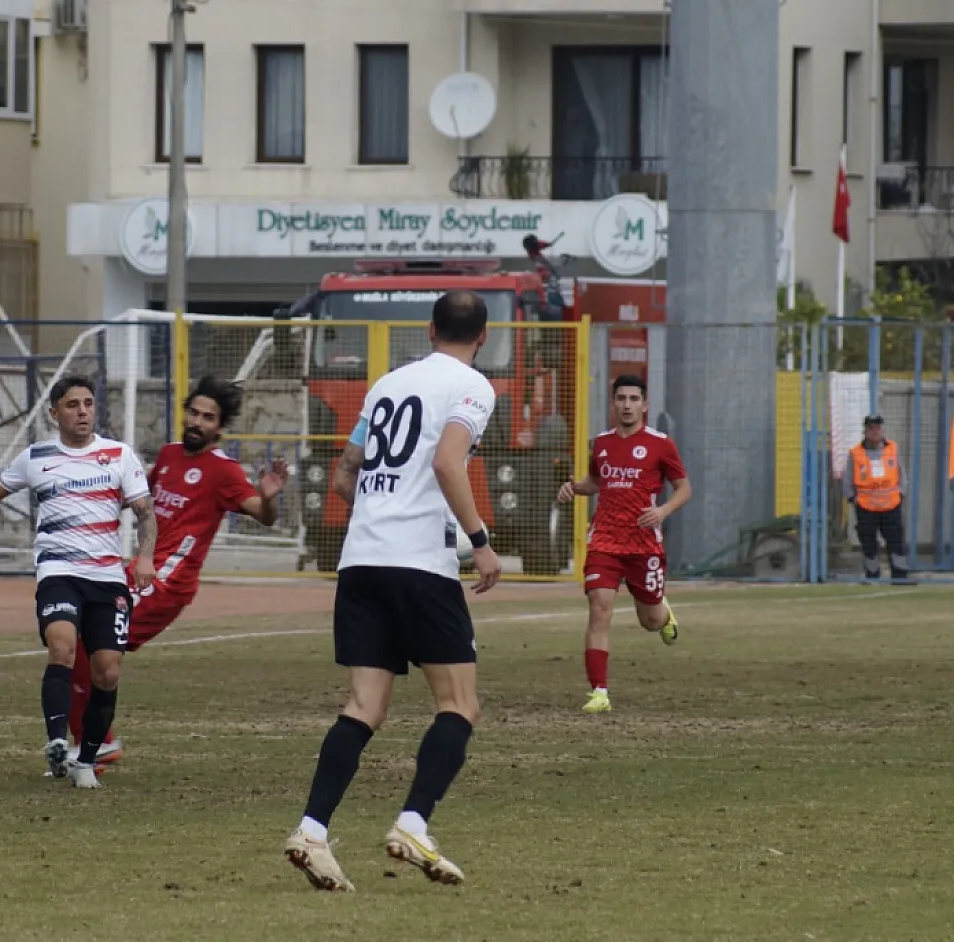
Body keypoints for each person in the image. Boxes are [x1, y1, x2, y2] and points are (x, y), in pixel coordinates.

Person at [284, 289, 502, 893]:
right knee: (459, 704)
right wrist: (479, 540)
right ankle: (412, 822)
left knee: (364, 708)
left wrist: (380, 512)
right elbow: (448, 463)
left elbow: (345, 471)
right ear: (482, 337)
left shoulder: (386, 384)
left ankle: (312, 830)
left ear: (430, 329)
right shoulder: (474, 386)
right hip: (418, 566)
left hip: (361, 561)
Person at [0, 376, 156, 790]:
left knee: (107, 672)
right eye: (72, 405)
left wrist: (145, 555)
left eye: (89, 404)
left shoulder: (118, 455)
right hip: (58, 572)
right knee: (61, 646)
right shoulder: (36, 458)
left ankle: (86, 760)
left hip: (108, 579)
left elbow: (145, 512)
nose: (83, 412)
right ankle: (57, 740)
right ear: (54, 413)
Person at [64, 374, 290, 765]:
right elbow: (141, 500)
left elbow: (263, 515)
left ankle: (96, 740)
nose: (198, 422)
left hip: (168, 583)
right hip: (138, 570)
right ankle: (91, 744)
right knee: (71, 636)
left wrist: (268, 499)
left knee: (86, 638)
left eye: (208, 417)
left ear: (219, 427)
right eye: (194, 413)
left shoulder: (223, 471)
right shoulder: (169, 455)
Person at [556, 374, 690, 716]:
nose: (627, 405)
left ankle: (663, 611)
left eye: (634, 399)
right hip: (604, 540)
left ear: (645, 405)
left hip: (644, 544)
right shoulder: (601, 443)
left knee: (650, 620)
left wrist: (662, 511)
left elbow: (684, 489)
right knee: (599, 609)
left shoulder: (661, 444)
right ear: (613, 403)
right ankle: (599, 692)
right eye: (621, 399)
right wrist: (574, 487)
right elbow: (597, 481)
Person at [844, 414, 909, 582]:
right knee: (869, 543)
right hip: (866, 507)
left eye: (877, 428)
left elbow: (901, 474)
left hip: (891, 505)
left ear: (883, 429)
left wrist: (901, 493)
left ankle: (899, 576)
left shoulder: (892, 448)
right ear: (864, 431)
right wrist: (853, 499)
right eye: (871, 428)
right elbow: (847, 479)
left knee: (895, 541)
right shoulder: (855, 453)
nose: (874, 432)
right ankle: (872, 576)